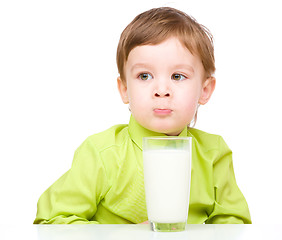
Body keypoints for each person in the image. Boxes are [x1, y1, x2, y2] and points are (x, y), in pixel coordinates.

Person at [34, 7, 251, 224]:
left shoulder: (214, 155)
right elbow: (53, 221)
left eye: (178, 76)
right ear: (124, 89)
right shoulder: (101, 153)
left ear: (205, 90)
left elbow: (234, 224)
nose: (162, 89)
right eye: (144, 75)